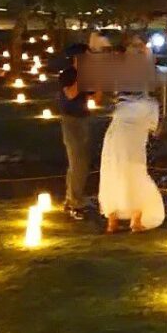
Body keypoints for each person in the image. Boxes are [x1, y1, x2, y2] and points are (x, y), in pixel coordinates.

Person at [98, 93, 165, 233]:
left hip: (116, 141)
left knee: (113, 175)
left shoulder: (121, 103)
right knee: (136, 176)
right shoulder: (151, 105)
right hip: (131, 143)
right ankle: (135, 221)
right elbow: (155, 130)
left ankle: (113, 222)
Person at [58, 44, 95, 220]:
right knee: (77, 161)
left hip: (84, 119)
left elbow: (95, 97)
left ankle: (71, 198)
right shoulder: (67, 74)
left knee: (81, 161)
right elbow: (71, 94)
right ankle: (75, 202)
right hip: (71, 120)